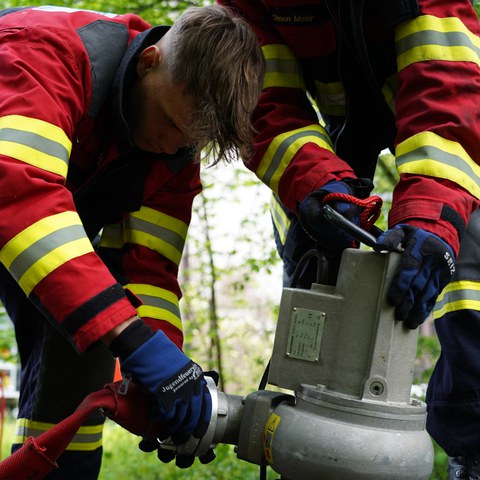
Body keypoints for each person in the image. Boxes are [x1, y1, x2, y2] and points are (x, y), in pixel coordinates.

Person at [217, 0, 480, 478]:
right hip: (328, 138)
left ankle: (475, 454)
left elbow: (447, 92)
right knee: (312, 263)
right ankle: (304, 445)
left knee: (471, 251)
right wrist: (317, 184)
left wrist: (434, 221)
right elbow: (263, 101)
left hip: (441, 124)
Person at [0, 4, 264, 479]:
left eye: (189, 142)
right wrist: (133, 339)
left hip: (32, 231)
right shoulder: (44, 51)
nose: (170, 146)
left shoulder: (176, 152)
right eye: (168, 122)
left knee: (89, 345)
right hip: (15, 204)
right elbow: (17, 194)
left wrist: (167, 374)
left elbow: (150, 273)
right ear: (149, 61)